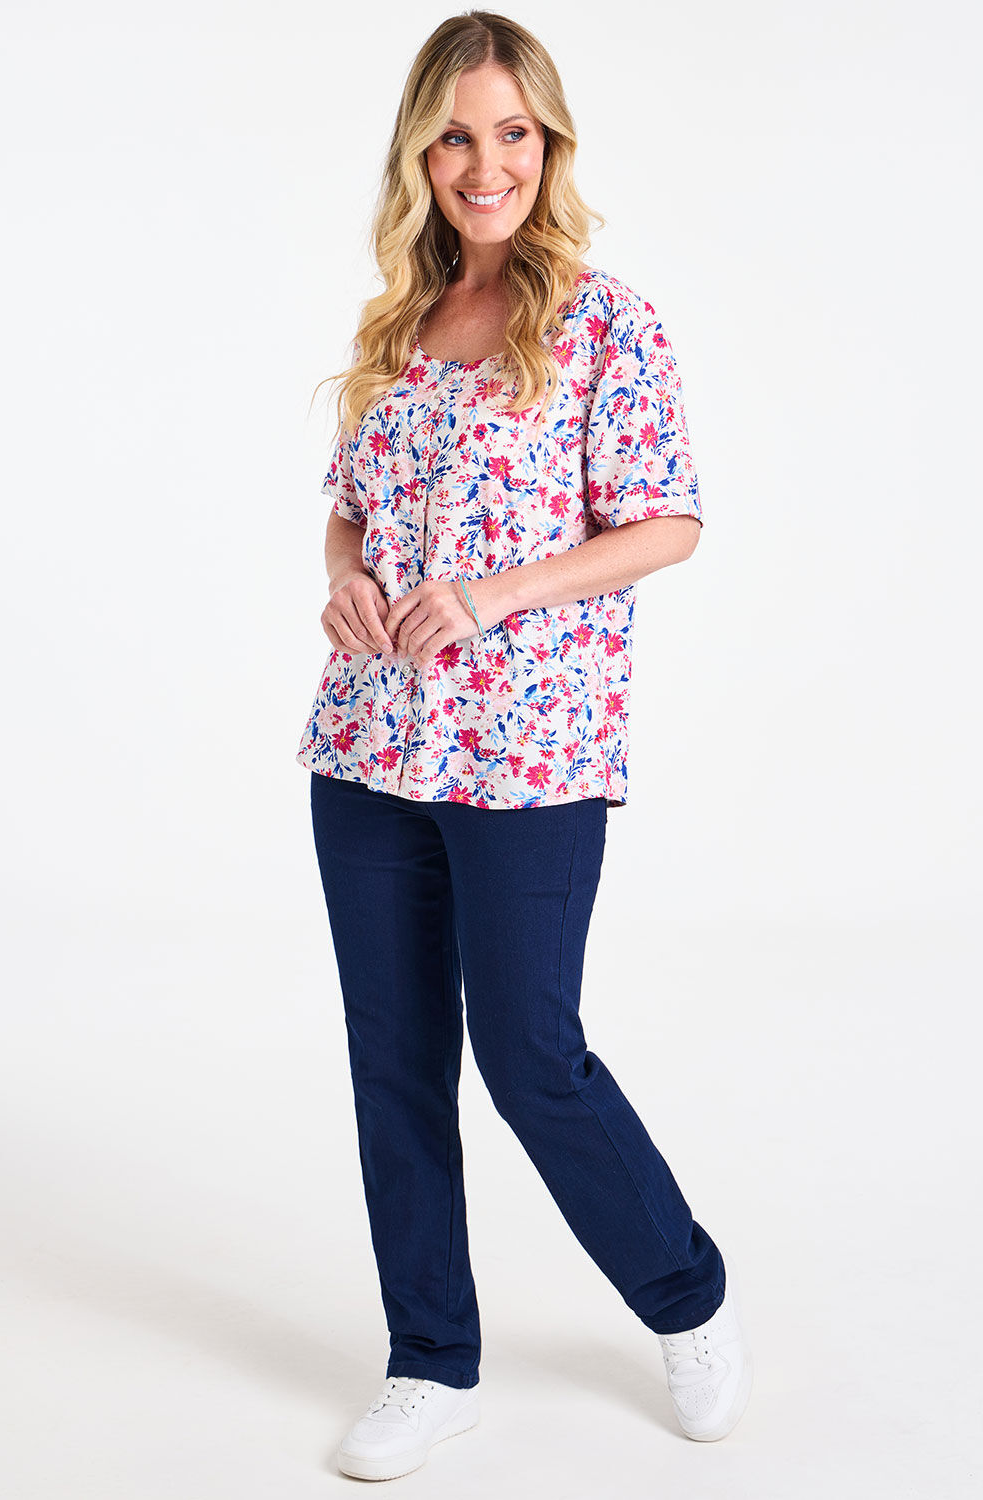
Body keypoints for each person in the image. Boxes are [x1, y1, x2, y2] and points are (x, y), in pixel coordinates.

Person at [296, 10, 753, 1482]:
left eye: (512, 132)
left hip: (530, 752)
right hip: (371, 745)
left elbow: (667, 522)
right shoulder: (396, 325)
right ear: (418, 155)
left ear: (548, 146)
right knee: (394, 1061)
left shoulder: (607, 320)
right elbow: (349, 512)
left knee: (532, 1056)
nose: (484, 163)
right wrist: (344, 579)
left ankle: (687, 1299)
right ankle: (430, 1359)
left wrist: (492, 594)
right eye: (454, 136)